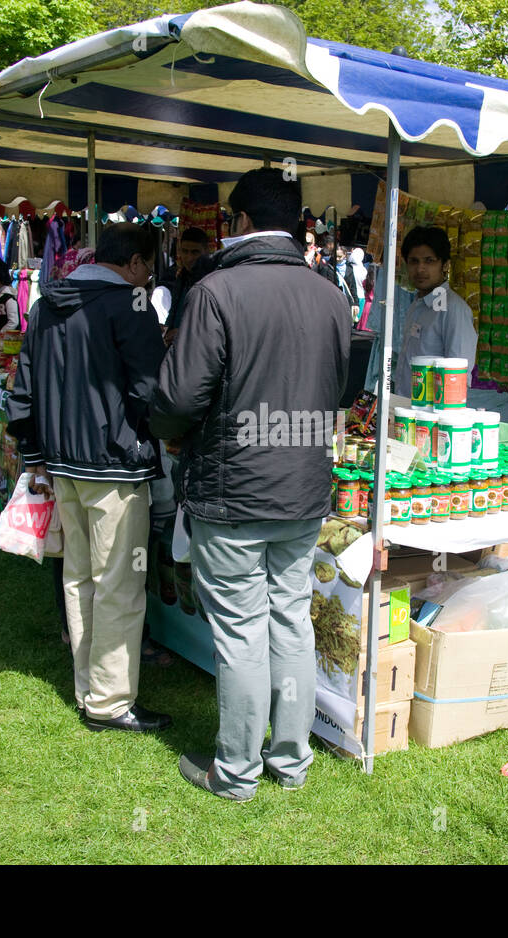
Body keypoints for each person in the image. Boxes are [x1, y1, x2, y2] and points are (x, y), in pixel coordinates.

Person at [151, 168, 351, 801]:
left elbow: (179, 397)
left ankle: (236, 771)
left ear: (238, 222)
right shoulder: (331, 295)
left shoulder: (216, 291)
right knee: (289, 621)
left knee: (243, 629)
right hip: (299, 486)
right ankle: (289, 761)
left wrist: (167, 425)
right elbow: (342, 390)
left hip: (235, 490)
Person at [7, 223, 171, 734]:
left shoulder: (47, 304)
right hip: (112, 464)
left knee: (79, 577)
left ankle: (90, 688)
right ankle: (110, 701)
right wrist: (160, 435)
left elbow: (24, 385)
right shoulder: (130, 305)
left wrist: (34, 451)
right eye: (150, 268)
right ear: (138, 264)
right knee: (117, 584)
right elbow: (150, 389)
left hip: (62, 463)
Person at [364, 224, 477, 395]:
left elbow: (457, 379)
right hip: (408, 412)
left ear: (445, 265)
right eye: (414, 261)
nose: (420, 269)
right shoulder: (418, 305)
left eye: (429, 261)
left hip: (432, 417)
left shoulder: (454, 310)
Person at [161, 226, 209, 340]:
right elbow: (174, 312)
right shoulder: (181, 277)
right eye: (185, 251)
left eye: (195, 252)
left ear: (206, 251)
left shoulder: (213, 281)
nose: (189, 258)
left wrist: (182, 332)